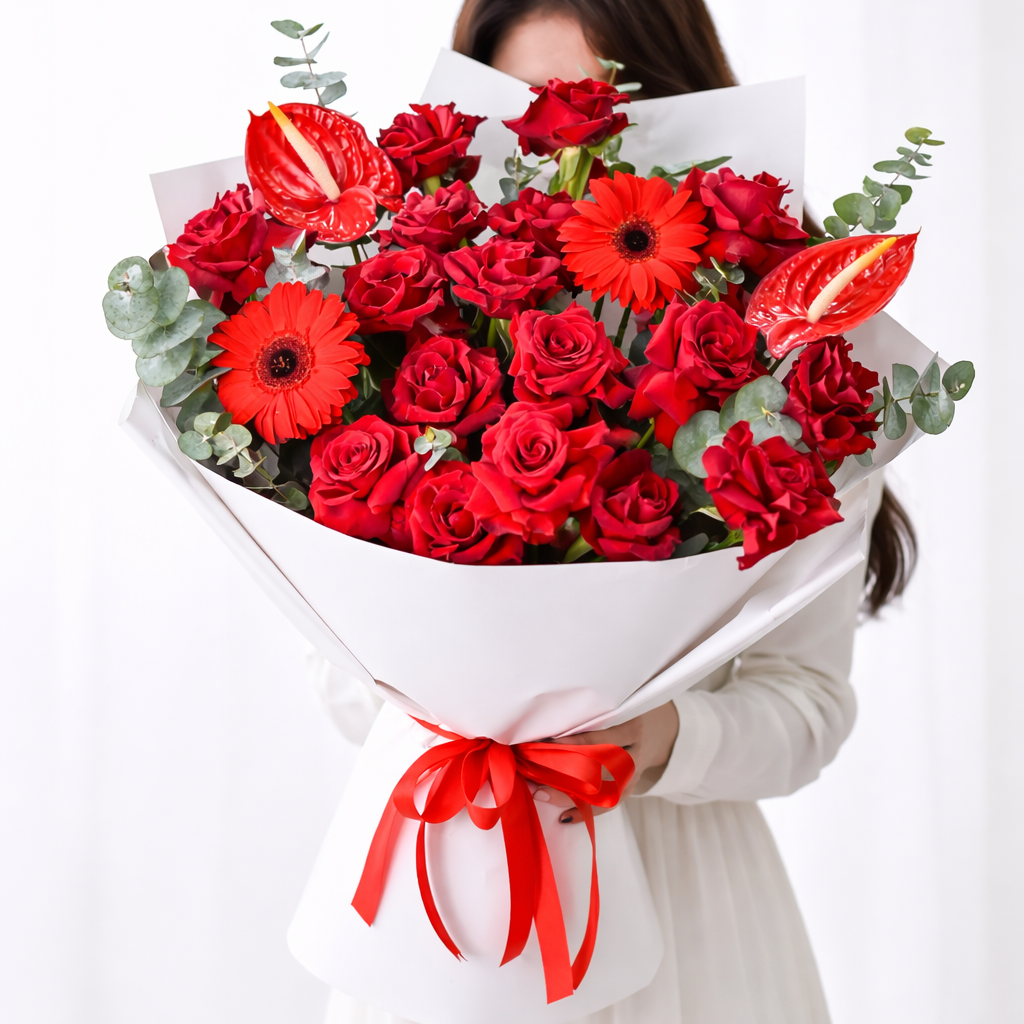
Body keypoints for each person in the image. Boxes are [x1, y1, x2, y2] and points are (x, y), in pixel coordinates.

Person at [320, 2, 917, 1021]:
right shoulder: (391, 345)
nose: (568, 163)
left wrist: (666, 738)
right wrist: (435, 693)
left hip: (690, 916)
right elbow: (335, 678)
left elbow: (809, 709)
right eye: (529, 120)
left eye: (605, 118)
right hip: (446, 882)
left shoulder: (808, 379)